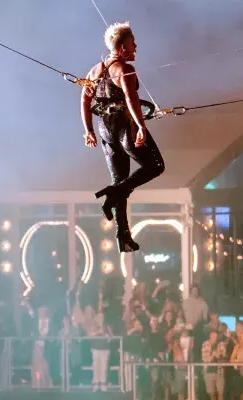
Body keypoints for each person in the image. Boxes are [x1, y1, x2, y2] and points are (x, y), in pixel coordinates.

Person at [81, 22, 165, 253]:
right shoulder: (124, 69)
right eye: (132, 43)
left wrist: (88, 129)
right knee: (156, 165)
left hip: (105, 131)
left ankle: (122, 235)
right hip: (123, 128)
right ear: (121, 46)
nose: (135, 46)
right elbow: (131, 99)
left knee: (120, 180)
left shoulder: (94, 71)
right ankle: (114, 193)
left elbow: (85, 101)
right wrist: (141, 126)